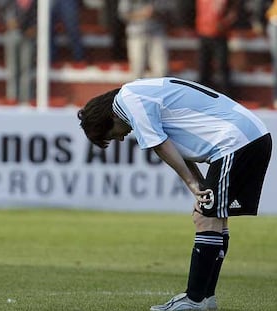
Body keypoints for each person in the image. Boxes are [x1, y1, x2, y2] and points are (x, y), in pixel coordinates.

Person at [77, 77, 271, 311]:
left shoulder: (129, 100)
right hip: (250, 136)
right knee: (213, 217)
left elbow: (160, 145)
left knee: (206, 217)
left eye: (111, 135)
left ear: (109, 119)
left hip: (235, 141)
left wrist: (192, 184)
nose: (120, 138)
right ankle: (205, 298)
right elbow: (174, 146)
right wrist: (199, 184)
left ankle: (195, 300)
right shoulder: (138, 93)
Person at [118, 0, 172, 79]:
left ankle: (159, 90)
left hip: (157, 34)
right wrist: (142, 14)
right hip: (136, 34)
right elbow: (123, 15)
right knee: (137, 67)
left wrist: (155, 13)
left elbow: (169, 11)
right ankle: (137, 90)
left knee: (161, 69)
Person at [195, 0, 239, 95]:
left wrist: (225, 23)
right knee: (204, 67)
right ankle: (202, 95)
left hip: (219, 33)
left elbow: (233, 12)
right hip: (204, 32)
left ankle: (227, 95)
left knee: (222, 67)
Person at [3, 0, 37, 103]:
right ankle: (12, 98)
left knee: (26, 68)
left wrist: (35, 27)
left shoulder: (36, 2)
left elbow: (39, 15)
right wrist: (7, 21)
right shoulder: (9, 2)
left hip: (29, 35)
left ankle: (25, 99)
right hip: (13, 33)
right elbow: (2, 11)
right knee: (13, 68)